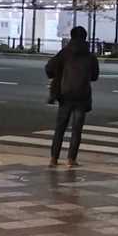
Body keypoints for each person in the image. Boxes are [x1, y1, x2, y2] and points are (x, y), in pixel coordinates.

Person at [45, 25, 99, 168]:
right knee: (76, 129)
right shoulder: (90, 56)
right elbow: (95, 76)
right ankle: (71, 159)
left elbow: (49, 68)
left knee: (60, 128)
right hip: (82, 96)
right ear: (85, 37)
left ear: (71, 36)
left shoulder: (65, 53)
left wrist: (58, 75)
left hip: (65, 95)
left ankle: (53, 159)